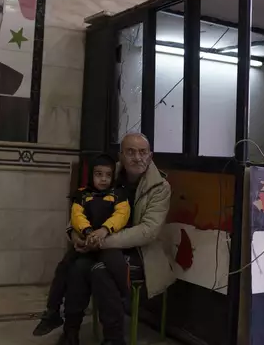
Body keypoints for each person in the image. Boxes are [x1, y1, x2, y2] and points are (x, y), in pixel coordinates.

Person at [60, 133, 177, 345]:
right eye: (130, 152)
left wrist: (99, 241)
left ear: (150, 156)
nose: (137, 157)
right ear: (121, 156)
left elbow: (148, 231)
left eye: (143, 152)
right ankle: (70, 333)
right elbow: (80, 208)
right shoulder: (107, 175)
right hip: (99, 244)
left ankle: (113, 339)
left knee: (101, 272)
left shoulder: (160, 187)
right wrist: (74, 233)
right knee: (77, 267)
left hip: (142, 252)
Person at [33, 154, 131, 337]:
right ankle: (53, 313)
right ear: (90, 176)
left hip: (108, 244)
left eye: (107, 175)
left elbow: (121, 216)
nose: (103, 179)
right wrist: (86, 233)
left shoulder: (119, 194)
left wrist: (103, 230)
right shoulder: (82, 194)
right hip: (86, 242)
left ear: (113, 176)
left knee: (114, 264)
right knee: (66, 268)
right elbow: (77, 216)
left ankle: (125, 301)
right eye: (98, 174)